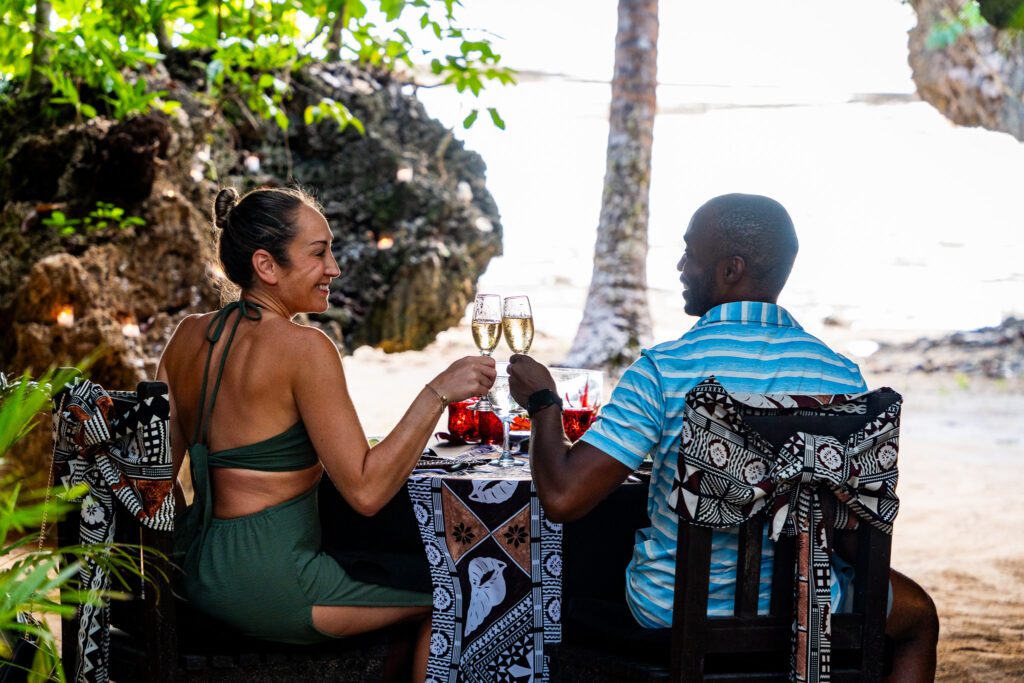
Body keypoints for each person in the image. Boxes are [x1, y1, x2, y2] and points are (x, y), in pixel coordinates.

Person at [508, 193, 939, 681]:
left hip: (669, 609)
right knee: (919, 615)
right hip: (816, 607)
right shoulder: (839, 377)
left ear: (731, 269)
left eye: (690, 253)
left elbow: (564, 498)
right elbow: (855, 531)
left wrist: (544, 404)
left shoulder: (666, 370)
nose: (680, 266)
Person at [158, 186, 496, 679]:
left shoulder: (188, 336)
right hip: (275, 586)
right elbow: (366, 490)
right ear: (266, 266)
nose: (334, 268)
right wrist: (437, 393)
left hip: (197, 572)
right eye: (319, 253)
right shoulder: (305, 349)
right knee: (455, 598)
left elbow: (158, 478)